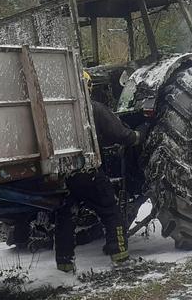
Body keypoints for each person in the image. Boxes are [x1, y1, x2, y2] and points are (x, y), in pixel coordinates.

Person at [54, 100, 144, 272]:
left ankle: (64, 264)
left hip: (63, 173)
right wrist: (139, 135)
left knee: (65, 217)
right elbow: (119, 134)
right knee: (111, 211)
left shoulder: (55, 108)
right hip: (88, 171)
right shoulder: (91, 106)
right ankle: (120, 257)